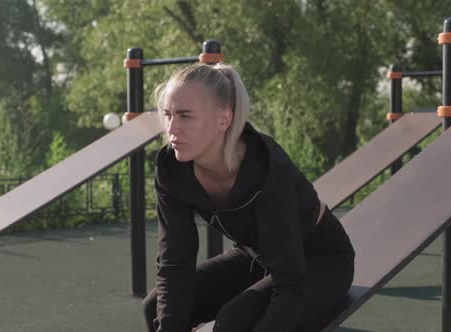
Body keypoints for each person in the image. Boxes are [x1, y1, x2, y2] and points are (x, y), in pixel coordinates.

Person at [143, 63, 355, 332]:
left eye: (185, 116)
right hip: (257, 256)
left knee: (234, 321)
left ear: (224, 119)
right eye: (168, 115)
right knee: (156, 308)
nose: (172, 128)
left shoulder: (266, 170)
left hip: (318, 259)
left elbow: (289, 280)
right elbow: (175, 263)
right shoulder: (173, 171)